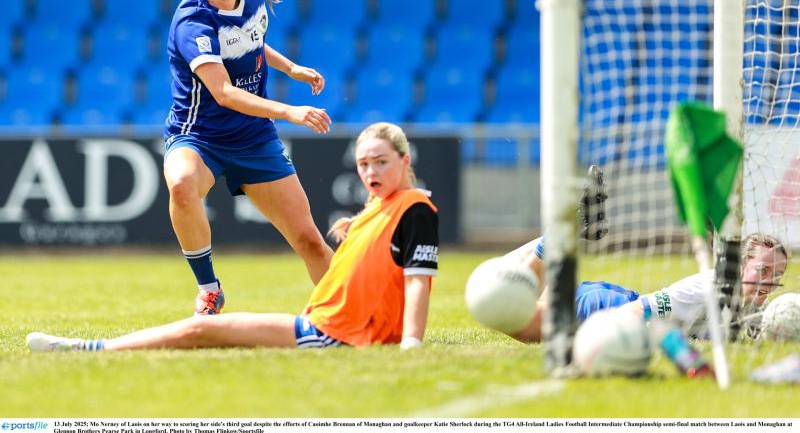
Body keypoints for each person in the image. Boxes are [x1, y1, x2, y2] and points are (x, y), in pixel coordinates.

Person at [26, 123, 439, 353]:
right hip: (332, 327)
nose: (371, 172)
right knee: (211, 334)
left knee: (202, 331)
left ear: (405, 162)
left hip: (338, 334)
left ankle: (89, 349)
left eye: (381, 162)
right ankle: (89, 348)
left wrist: (411, 344)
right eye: (365, 163)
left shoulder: (414, 207)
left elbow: (418, 282)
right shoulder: (376, 210)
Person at [163, 0, 335, 315]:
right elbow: (223, 93)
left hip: (253, 137)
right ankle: (209, 288)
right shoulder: (193, 22)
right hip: (198, 135)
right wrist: (289, 110)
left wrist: (291, 68)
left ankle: (350, 318)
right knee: (182, 185)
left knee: (309, 240)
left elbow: (250, 39)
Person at [498, 168, 790, 343]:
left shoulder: (755, 312)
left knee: (501, 280)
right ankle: (564, 232)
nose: (769, 281)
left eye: (776, 275)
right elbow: (638, 311)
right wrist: (594, 339)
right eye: (762, 270)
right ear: (740, 266)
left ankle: (568, 232)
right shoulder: (706, 288)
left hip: (612, 296)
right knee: (506, 311)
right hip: (606, 308)